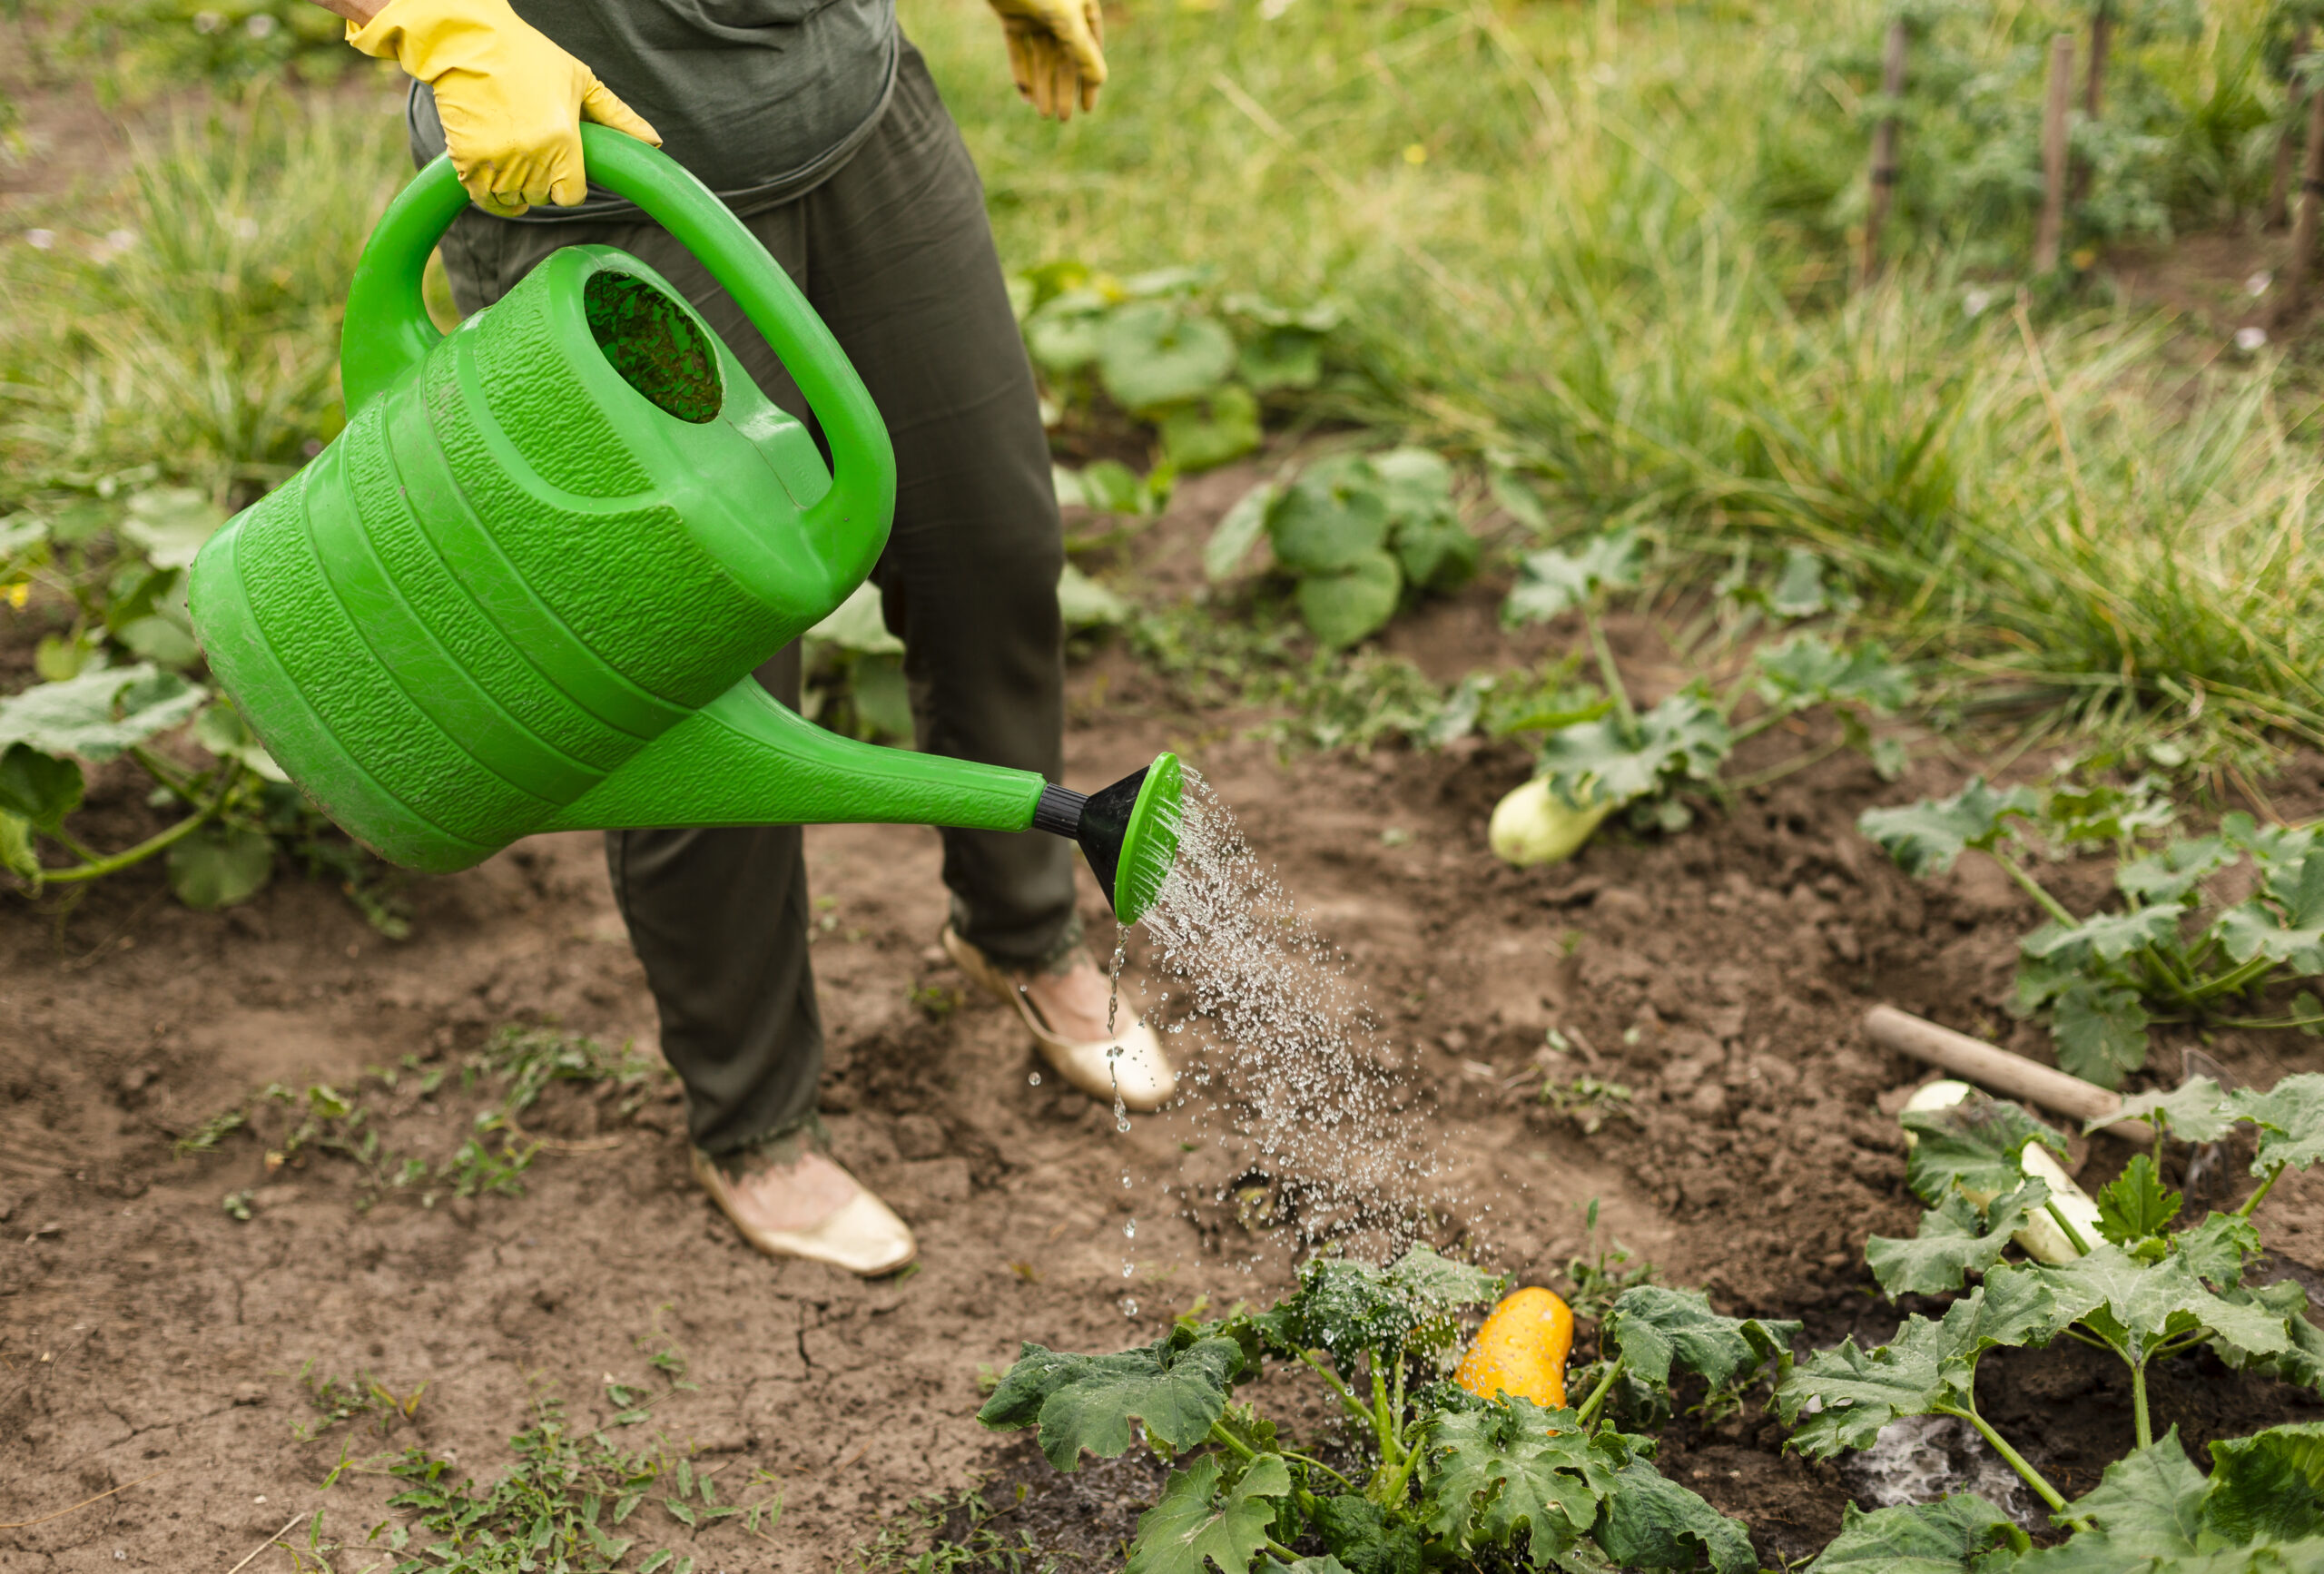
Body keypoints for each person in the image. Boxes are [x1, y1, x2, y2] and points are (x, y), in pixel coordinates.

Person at [308, 0, 1176, 1276]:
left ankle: (1021, 928)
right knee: (696, 675)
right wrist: (440, 22)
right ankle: (753, 1116)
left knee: (989, 542)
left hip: (851, 108)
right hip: (597, 174)